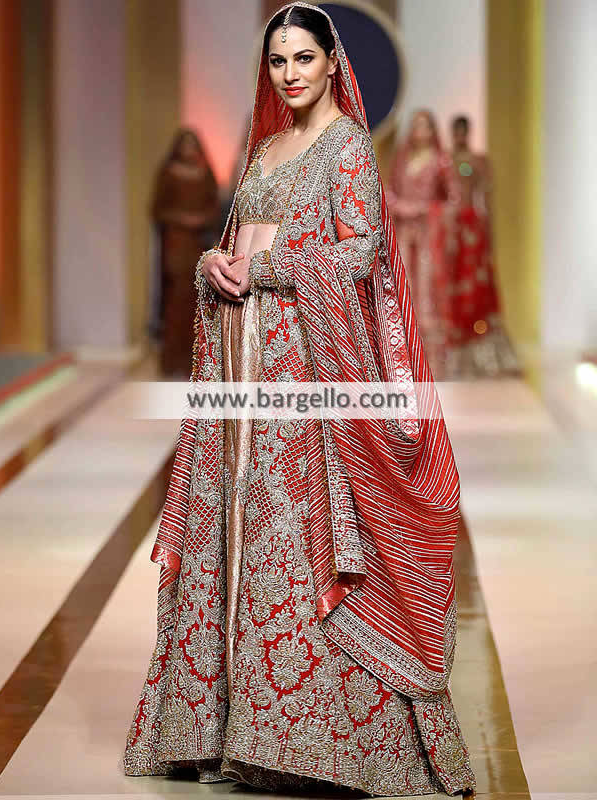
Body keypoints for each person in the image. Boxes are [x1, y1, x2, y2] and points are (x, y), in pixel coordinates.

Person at [123, 4, 477, 797]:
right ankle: (227, 731)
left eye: (303, 59)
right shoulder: (265, 148)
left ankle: (305, 737)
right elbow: (234, 238)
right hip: (243, 372)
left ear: (330, 62)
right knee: (236, 527)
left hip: (303, 374)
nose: (290, 73)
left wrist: (273, 266)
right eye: (278, 60)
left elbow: (362, 250)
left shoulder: (346, 144)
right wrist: (214, 265)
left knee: (292, 531)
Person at [444, 115, 520, 378]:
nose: (460, 137)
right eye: (457, 132)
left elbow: (485, 199)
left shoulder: (477, 162)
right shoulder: (443, 162)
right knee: (449, 286)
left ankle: (480, 349)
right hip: (449, 230)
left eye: (464, 132)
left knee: (476, 286)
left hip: (471, 230)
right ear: (451, 132)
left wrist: (488, 235)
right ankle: (452, 348)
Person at [385, 110, 455, 380]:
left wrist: (427, 209)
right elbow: (388, 190)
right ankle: (402, 358)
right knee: (402, 286)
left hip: (428, 234)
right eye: (416, 125)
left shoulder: (440, 161)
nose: (420, 130)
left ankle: (433, 361)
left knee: (428, 289)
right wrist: (401, 207)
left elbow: (453, 200)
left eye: (425, 125)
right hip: (403, 231)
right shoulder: (402, 159)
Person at [148, 128, 221, 377]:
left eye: (193, 144)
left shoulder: (205, 173)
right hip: (176, 244)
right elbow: (157, 210)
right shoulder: (168, 174)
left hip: (198, 246)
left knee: (197, 301)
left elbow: (215, 208)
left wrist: (201, 220)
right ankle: (171, 363)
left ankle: (196, 365)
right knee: (175, 302)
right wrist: (182, 219)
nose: (189, 150)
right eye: (185, 144)